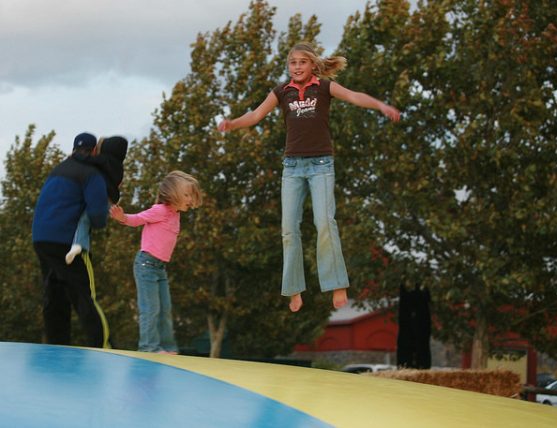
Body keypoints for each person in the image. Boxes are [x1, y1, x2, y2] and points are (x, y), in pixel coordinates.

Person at [218, 42, 400, 312]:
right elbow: (256, 114)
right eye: (293, 63)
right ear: (288, 66)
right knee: (289, 229)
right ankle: (294, 290)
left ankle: (337, 283)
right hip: (292, 167)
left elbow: (354, 96)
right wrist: (232, 124)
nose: (297, 67)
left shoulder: (324, 87)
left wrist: (381, 106)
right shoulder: (282, 92)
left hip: (321, 165)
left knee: (324, 222)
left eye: (302, 62)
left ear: (313, 65)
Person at [32, 132, 111, 348]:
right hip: (67, 241)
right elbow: (97, 215)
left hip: (40, 237)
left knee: (54, 294)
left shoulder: (57, 169)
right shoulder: (91, 173)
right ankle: (102, 346)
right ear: (95, 150)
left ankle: (56, 347)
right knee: (84, 294)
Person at [109, 170, 201, 353]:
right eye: (186, 195)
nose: (190, 199)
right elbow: (138, 219)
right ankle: (148, 347)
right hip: (146, 265)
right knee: (150, 309)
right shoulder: (160, 210)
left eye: (191, 195)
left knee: (165, 308)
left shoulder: (176, 214)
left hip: (159, 268)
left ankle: (167, 346)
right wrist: (122, 218)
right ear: (173, 194)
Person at [65, 136, 129, 264]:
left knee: (82, 219)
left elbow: (89, 159)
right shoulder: (119, 167)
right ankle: (82, 247)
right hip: (110, 202)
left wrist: (75, 157)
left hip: (101, 196)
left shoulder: (106, 160)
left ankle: (78, 244)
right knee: (85, 221)